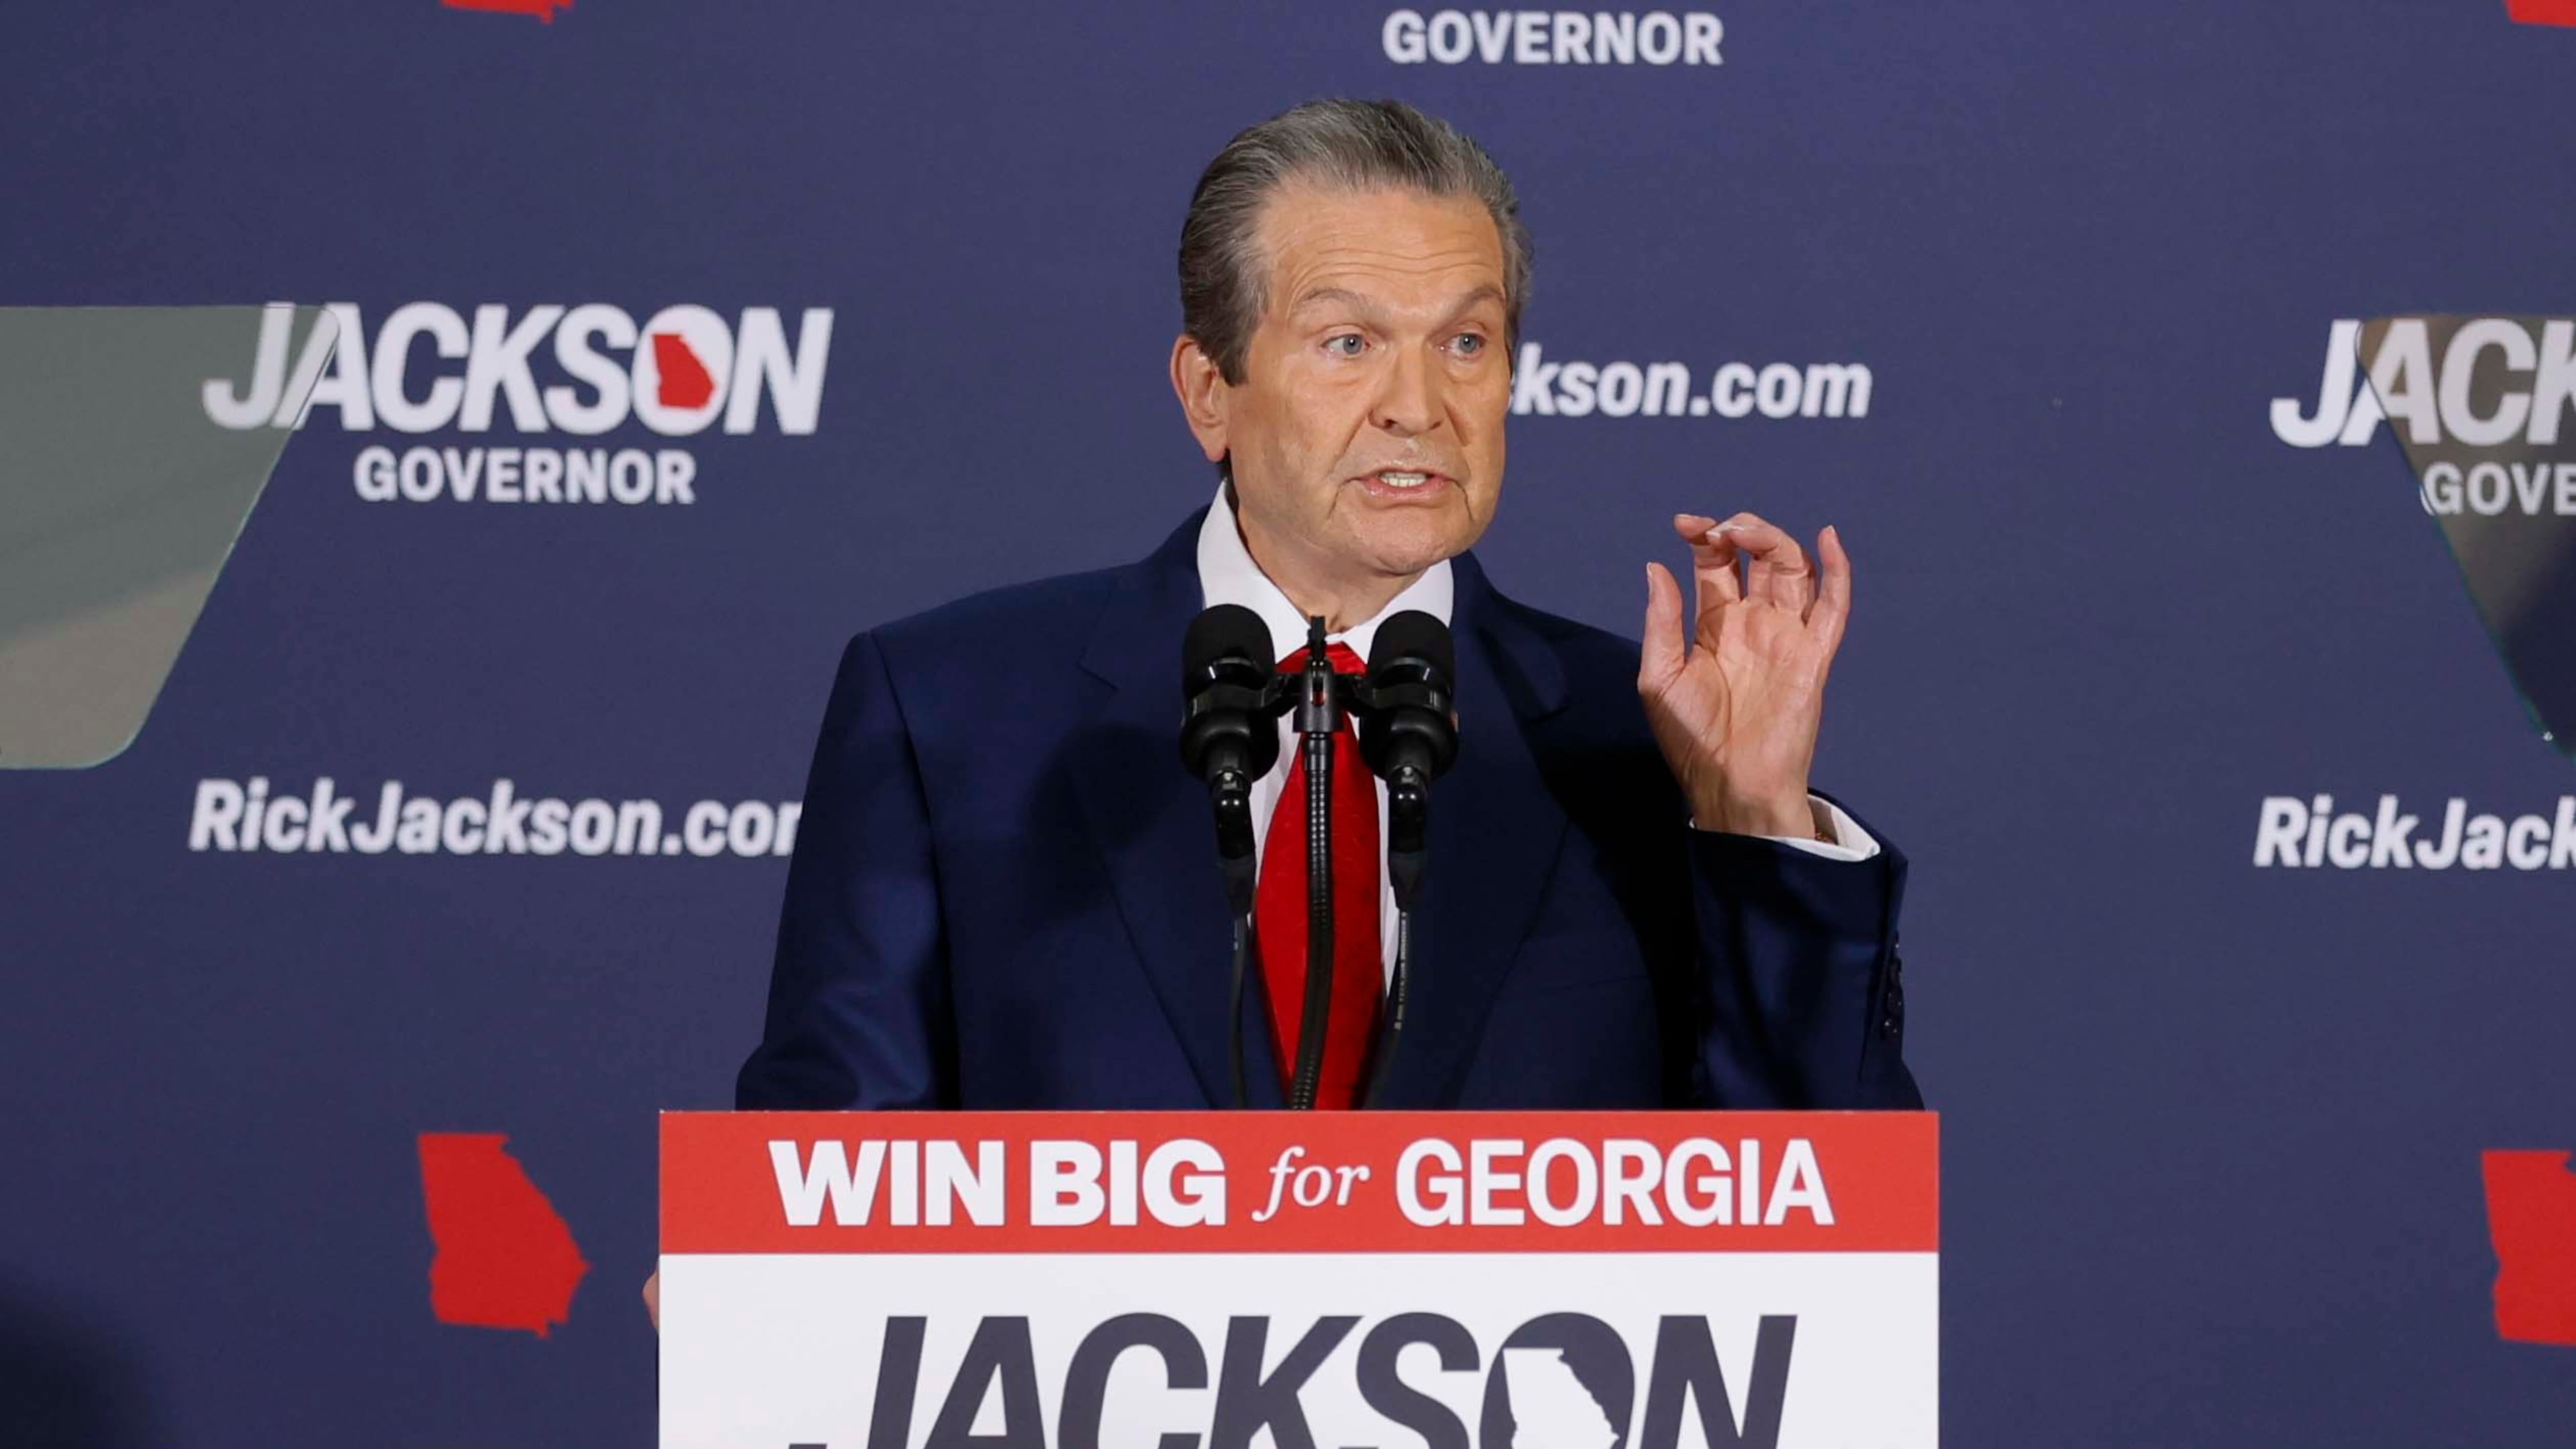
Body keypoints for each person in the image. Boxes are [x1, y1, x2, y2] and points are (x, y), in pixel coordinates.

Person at [738, 97, 1919, 1116]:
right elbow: (834, 1173)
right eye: (1348, 341)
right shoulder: (950, 714)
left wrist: (1756, 823)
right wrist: (755, 1287)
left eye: (1467, 340)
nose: (1418, 404)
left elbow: (1828, 1226)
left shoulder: (1647, 745)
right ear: (1212, 390)